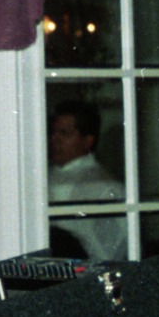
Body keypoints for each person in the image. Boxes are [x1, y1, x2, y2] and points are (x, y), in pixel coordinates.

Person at [46, 100, 124, 261]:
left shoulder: (104, 187)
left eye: (65, 133)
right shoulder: (40, 177)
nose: (55, 140)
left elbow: (115, 250)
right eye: (53, 132)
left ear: (87, 141)